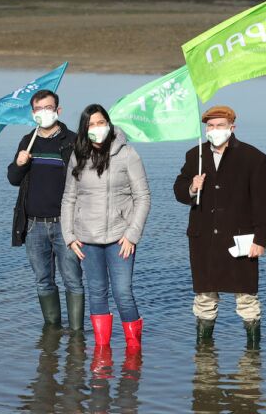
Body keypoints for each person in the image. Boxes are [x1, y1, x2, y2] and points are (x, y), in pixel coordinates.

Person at [173, 106, 266, 348]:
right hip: (204, 239)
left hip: (241, 239)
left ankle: (251, 363)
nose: (214, 130)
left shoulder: (254, 157)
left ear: (232, 127)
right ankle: (205, 364)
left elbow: (263, 202)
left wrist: (262, 239)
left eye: (220, 125)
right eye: (210, 126)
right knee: (205, 299)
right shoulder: (194, 155)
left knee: (247, 299)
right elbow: (179, 189)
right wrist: (191, 187)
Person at [61, 104, 151, 352]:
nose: (97, 128)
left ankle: (133, 352)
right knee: (97, 293)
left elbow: (142, 197)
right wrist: (69, 236)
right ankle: (102, 353)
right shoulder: (77, 155)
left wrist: (132, 234)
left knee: (123, 293)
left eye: (101, 123)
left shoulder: (128, 154)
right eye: (91, 124)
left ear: (109, 124)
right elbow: (69, 198)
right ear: (84, 129)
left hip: (120, 239)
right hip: (87, 239)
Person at [7, 89, 84, 331]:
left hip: (65, 224)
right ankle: (51, 334)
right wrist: (19, 164)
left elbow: (85, 180)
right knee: (43, 281)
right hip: (33, 224)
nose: (44, 113)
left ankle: (76, 335)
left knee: (73, 280)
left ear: (58, 110)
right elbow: (13, 178)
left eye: (49, 108)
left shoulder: (72, 141)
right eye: (39, 109)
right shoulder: (27, 141)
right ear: (32, 113)